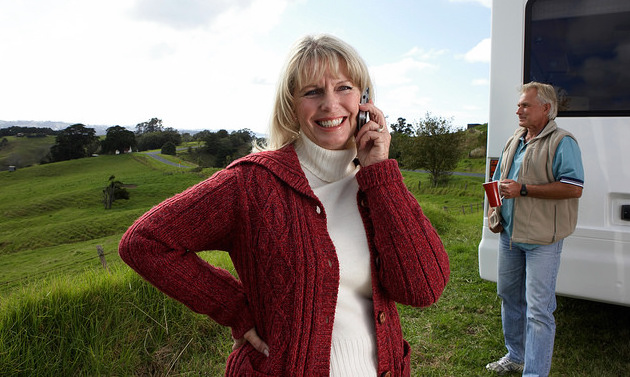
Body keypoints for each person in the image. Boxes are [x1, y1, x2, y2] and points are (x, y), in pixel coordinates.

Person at [119, 34, 450, 377]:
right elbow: (144, 242)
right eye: (312, 92)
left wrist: (380, 174)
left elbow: (423, 288)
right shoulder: (251, 184)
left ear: (364, 98)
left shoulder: (375, 185)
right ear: (291, 105)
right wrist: (234, 309)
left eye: (344, 88)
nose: (330, 104)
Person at [485, 82, 584, 377]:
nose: (519, 110)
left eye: (525, 105)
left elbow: (573, 187)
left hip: (542, 240)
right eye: (519, 105)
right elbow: (498, 177)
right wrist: (494, 209)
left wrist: (524, 189)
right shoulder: (515, 139)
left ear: (546, 109)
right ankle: (516, 356)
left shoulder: (563, 141)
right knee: (509, 297)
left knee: (539, 312)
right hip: (510, 236)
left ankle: (535, 372)